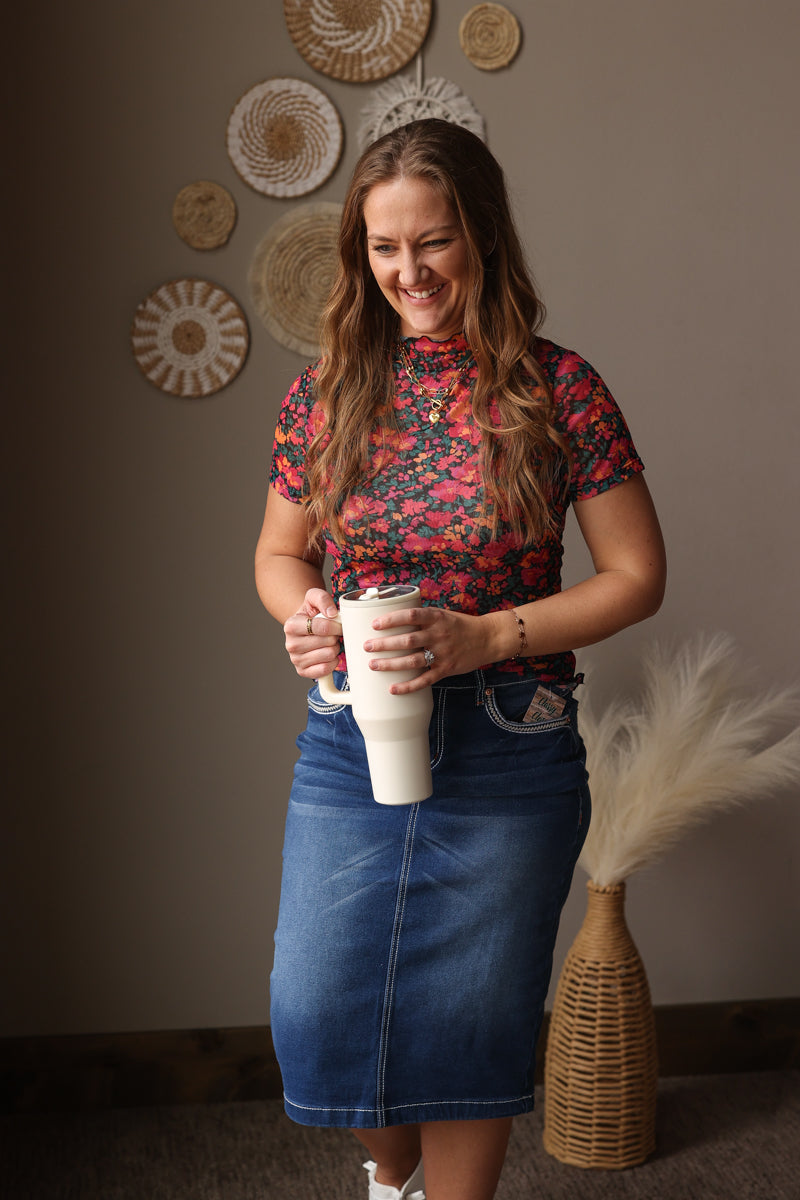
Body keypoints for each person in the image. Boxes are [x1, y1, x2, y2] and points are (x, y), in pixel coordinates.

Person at [254, 118, 666, 1200]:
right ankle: (390, 1179)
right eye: (383, 249)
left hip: (508, 742)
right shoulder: (324, 393)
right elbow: (278, 552)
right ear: (359, 255)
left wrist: (487, 636)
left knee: (467, 1023)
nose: (407, 271)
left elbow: (634, 576)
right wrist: (307, 613)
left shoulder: (558, 389)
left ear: (479, 235)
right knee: (313, 1008)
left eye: (430, 242)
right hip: (353, 734)